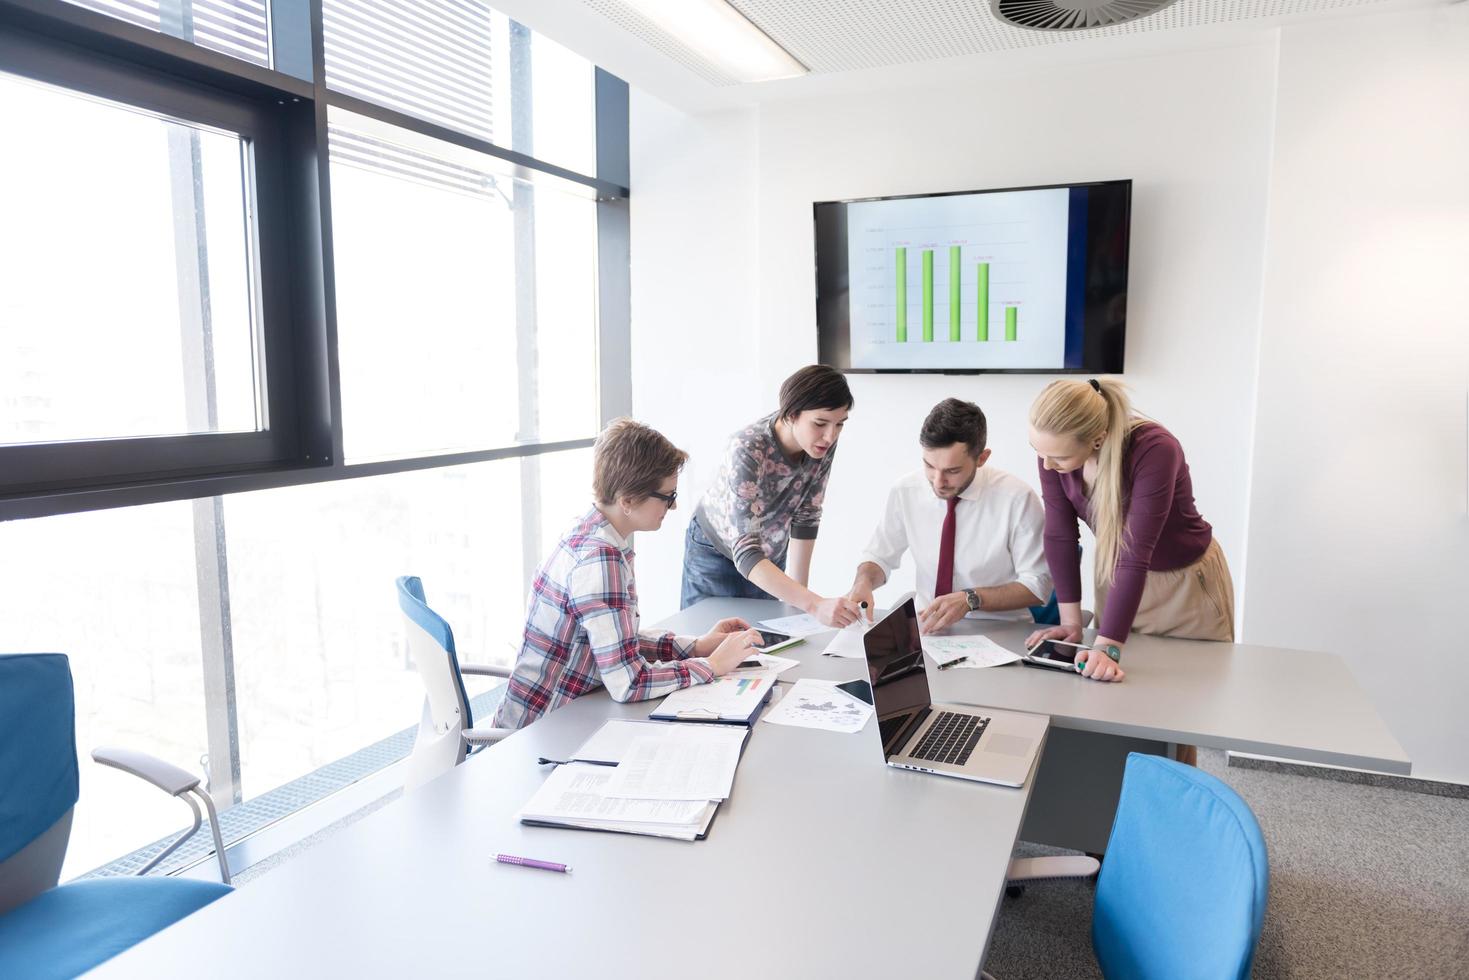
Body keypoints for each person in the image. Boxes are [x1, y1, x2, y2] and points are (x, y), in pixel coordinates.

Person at [494, 419, 761, 730]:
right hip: (540, 732)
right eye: (668, 497)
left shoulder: (587, 531)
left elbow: (618, 642)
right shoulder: (599, 560)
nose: (672, 508)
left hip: (558, 715)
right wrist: (712, 665)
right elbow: (629, 683)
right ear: (628, 500)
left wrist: (698, 646)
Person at [1025, 378, 1235, 691]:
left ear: (1097, 439)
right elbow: (1060, 535)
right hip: (1118, 579)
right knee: (1118, 699)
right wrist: (1070, 624)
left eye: (1059, 458)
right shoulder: (1054, 452)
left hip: (1185, 588)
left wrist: (1108, 646)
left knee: (1192, 702)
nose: (1046, 464)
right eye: (1038, 452)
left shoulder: (1155, 449)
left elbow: (1136, 552)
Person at [847, 398, 1052, 634]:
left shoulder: (1017, 498)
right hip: (928, 629)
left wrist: (971, 599)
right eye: (929, 465)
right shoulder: (906, 491)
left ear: (982, 458)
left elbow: (1038, 585)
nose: (937, 481)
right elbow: (879, 556)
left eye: (952, 471)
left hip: (1000, 631)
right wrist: (863, 582)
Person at [681, 365, 863, 627]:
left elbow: (806, 515)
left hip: (767, 554)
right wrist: (814, 603)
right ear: (790, 415)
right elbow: (745, 552)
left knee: (766, 650)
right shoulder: (747, 448)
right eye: (820, 423)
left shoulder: (820, 443)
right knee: (709, 648)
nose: (830, 435)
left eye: (839, 424)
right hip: (716, 554)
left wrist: (802, 609)